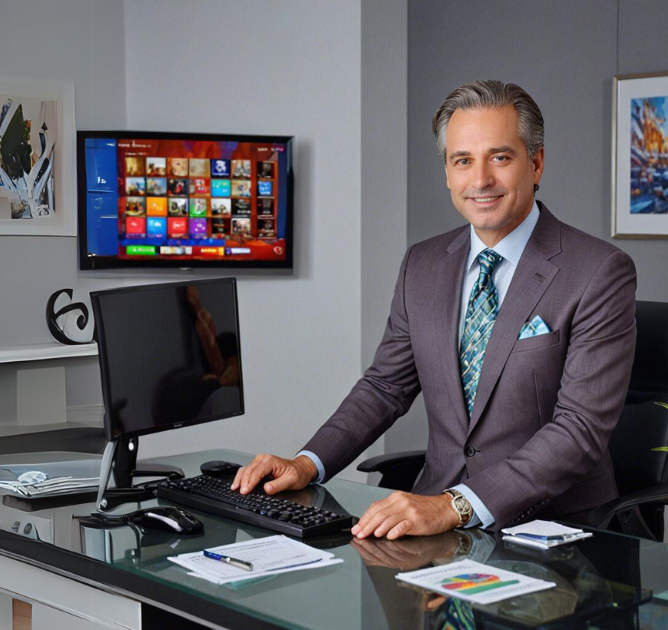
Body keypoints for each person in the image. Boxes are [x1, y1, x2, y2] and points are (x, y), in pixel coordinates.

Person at [232, 80, 637, 539]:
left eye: (500, 158)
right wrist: (307, 463)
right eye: (463, 161)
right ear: (447, 172)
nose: (480, 180)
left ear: (536, 162)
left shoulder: (598, 271)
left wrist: (456, 506)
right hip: (437, 525)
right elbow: (385, 387)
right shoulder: (421, 265)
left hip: (555, 530)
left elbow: (579, 430)